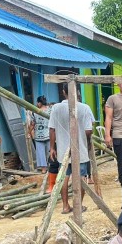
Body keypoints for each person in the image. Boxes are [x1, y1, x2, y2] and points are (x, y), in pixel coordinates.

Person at [49, 82, 94, 214]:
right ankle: (78, 205)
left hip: (63, 149)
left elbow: (52, 129)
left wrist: (52, 147)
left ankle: (65, 206)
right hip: (80, 150)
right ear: (78, 93)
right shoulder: (84, 108)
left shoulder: (56, 108)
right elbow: (88, 130)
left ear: (64, 92)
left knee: (64, 177)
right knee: (81, 177)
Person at [103, 82, 122, 187]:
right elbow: (108, 117)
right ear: (119, 85)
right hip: (119, 135)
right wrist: (107, 135)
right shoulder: (112, 99)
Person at [29, 96, 51, 174]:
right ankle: (52, 166)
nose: (36, 104)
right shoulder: (50, 110)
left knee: (40, 152)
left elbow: (32, 124)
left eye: (37, 102)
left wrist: (29, 132)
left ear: (39, 103)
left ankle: (43, 169)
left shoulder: (34, 112)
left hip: (38, 135)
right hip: (49, 134)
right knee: (50, 150)